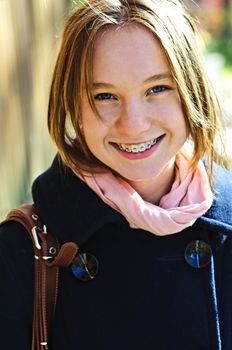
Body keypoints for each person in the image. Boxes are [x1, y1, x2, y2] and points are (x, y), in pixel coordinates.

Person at [1, 0, 232, 349]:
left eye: (157, 89)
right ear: (73, 107)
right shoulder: (24, 252)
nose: (133, 124)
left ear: (192, 93)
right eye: (105, 96)